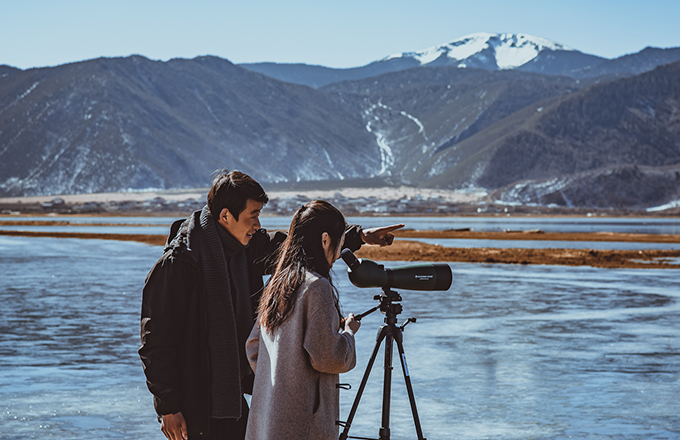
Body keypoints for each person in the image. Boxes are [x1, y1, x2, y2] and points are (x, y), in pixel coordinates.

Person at [139, 169, 403, 440]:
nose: (257, 224)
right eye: (253, 215)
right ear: (225, 216)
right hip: (196, 404)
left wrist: (359, 236)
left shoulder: (246, 248)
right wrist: (168, 407)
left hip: (231, 399)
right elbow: (156, 342)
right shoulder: (179, 264)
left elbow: (304, 244)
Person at [245, 200, 360, 440]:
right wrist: (348, 334)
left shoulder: (277, 283)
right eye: (339, 243)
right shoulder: (317, 286)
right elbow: (328, 357)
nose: (339, 254)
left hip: (267, 419)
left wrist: (283, 377)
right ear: (325, 239)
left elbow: (253, 347)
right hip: (302, 425)